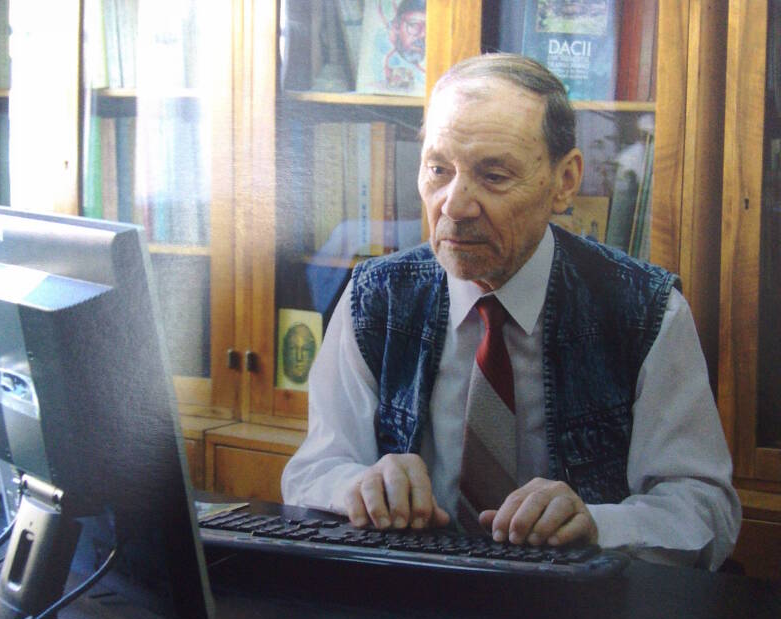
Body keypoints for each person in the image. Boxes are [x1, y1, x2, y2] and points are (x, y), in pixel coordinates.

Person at [281, 53, 741, 569]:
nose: (454, 206)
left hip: (578, 604)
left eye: (494, 176)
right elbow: (312, 470)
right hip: (412, 590)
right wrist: (358, 486)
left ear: (564, 181)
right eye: (438, 170)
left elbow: (706, 508)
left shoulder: (645, 310)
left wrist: (599, 524)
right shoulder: (375, 297)